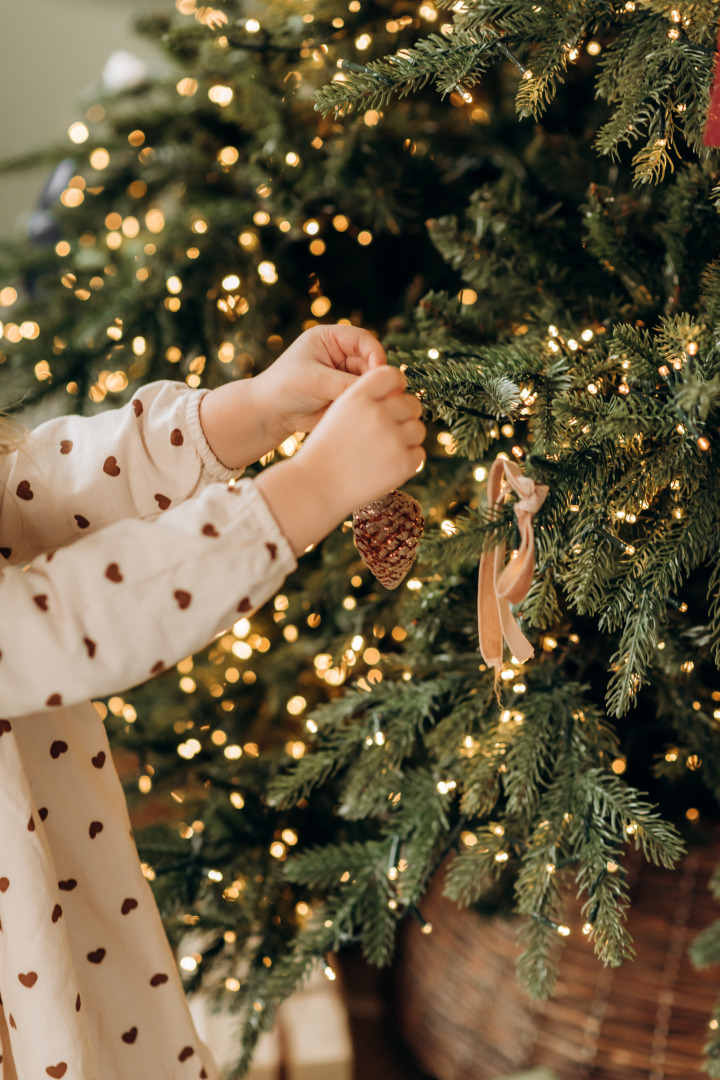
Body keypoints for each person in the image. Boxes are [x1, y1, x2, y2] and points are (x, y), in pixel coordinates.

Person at [0, 324, 426, 1080]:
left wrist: (249, 413)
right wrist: (310, 489)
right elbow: (49, 626)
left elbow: (31, 492)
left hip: (62, 895)